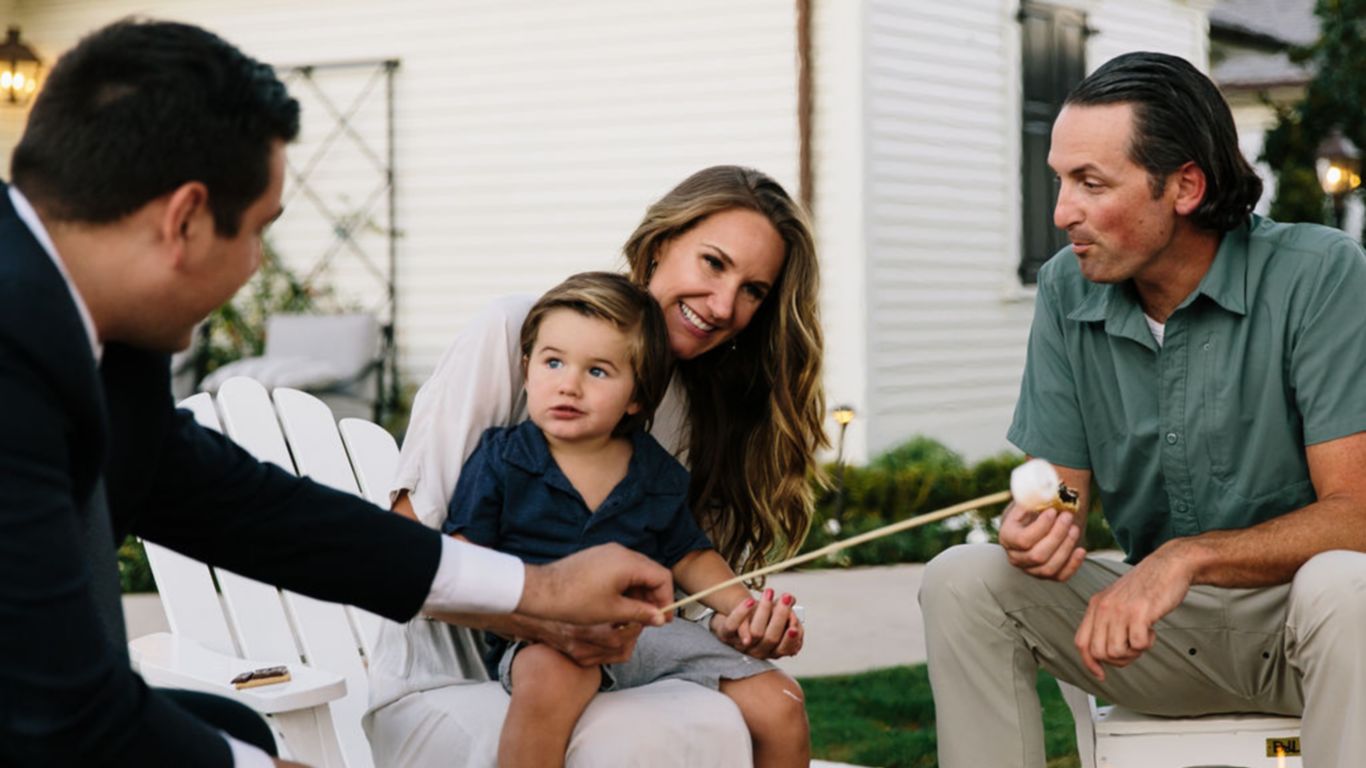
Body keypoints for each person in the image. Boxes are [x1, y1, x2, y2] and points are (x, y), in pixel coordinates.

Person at [0, 19, 679, 768]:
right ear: (185, 220)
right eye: (259, 232)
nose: (256, 265)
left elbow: (247, 508)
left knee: (237, 727)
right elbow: (54, 710)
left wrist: (535, 588)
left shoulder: (104, 337)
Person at [920, 51, 1366, 768]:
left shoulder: (1321, 275)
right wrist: (1049, 518)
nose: (1063, 211)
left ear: (1185, 185)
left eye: (1090, 183)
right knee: (964, 580)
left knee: (1346, 582)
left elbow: (1358, 512)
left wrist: (1187, 559)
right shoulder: (1068, 289)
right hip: (1149, 637)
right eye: (1060, 181)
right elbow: (1063, 484)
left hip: (1313, 635)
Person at [366, 165, 827, 766]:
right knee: (619, 725)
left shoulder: (688, 413)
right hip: (451, 673)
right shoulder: (519, 334)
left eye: (753, 290)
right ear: (661, 244)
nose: (722, 305)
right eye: (713, 263)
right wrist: (551, 616)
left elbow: (675, 573)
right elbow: (403, 558)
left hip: (625, 649)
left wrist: (736, 619)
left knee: (775, 700)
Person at [445, 272, 807, 767]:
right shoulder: (503, 460)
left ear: (637, 395)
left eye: (598, 372)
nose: (568, 385)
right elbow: (464, 557)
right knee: (550, 680)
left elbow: (690, 553)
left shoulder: (653, 469)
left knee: (781, 702)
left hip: (650, 633)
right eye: (553, 362)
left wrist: (742, 609)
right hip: (550, 634)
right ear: (527, 369)